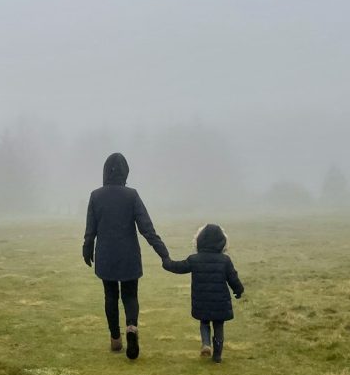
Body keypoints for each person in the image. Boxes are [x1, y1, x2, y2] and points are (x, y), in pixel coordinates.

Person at [83, 152, 170, 359]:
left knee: (110, 296)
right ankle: (131, 326)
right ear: (125, 173)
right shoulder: (132, 195)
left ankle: (115, 339)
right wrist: (163, 253)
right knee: (130, 295)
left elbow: (90, 229)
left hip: (106, 256)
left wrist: (87, 248)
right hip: (129, 255)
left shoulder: (96, 196)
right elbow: (147, 228)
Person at [162, 223, 244, 363]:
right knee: (219, 326)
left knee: (204, 322)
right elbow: (233, 278)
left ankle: (206, 344)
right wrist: (238, 290)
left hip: (201, 300)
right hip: (220, 301)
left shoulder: (194, 259)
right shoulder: (225, 260)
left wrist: (167, 262)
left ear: (199, 241)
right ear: (222, 242)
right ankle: (217, 356)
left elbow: (179, 267)